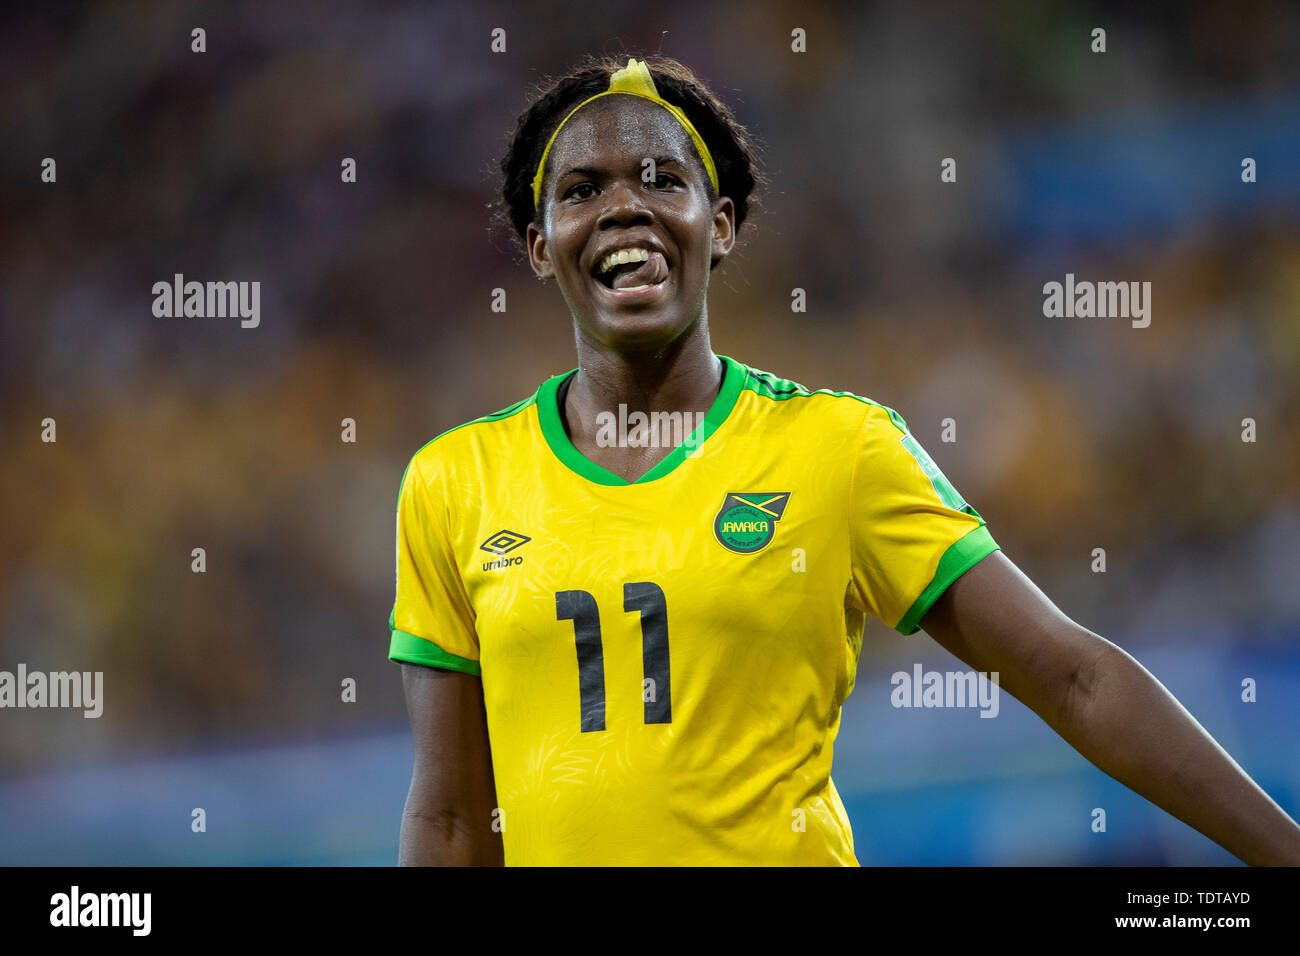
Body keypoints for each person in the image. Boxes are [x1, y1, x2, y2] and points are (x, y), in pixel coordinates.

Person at [389, 54, 1300, 865]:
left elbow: (1074, 677)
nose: (625, 204)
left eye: (664, 178)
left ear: (724, 223)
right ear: (543, 247)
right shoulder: (453, 484)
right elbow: (453, 822)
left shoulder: (840, 448)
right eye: (583, 188)